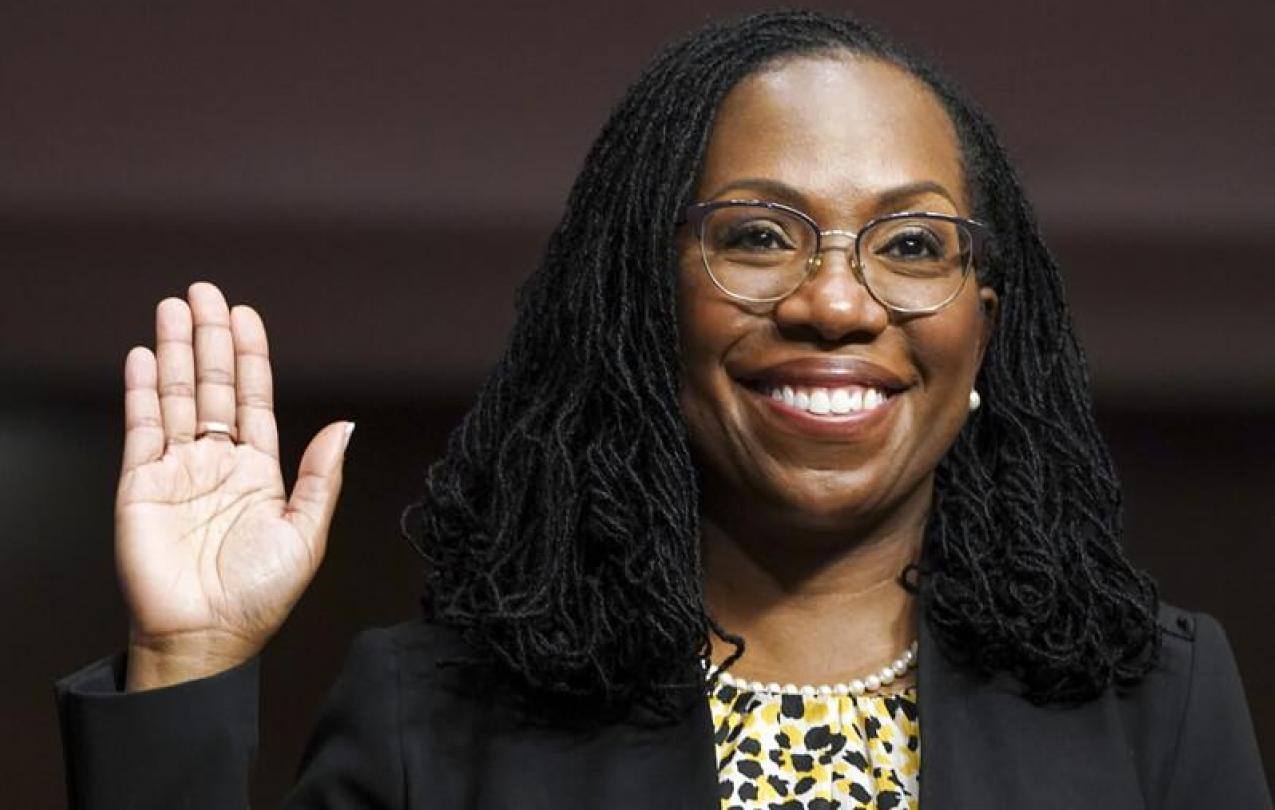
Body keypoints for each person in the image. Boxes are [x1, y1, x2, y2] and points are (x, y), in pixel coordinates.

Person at [53, 9, 1270, 809]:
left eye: (910, 243)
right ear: (642, 307)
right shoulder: (433, 720)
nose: (837, 302)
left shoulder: (1158, 706)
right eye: (755, 236)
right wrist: (188, 663)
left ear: (986, 326)